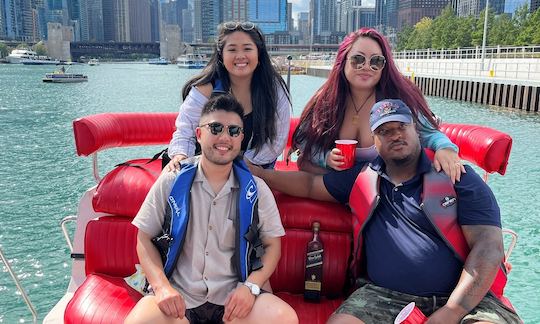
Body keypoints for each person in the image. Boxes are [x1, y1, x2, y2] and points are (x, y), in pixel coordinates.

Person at [249, 99, 521, 324]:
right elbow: (309, 184)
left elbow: (489, 246)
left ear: (416, 129)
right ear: (374, 141)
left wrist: (453, 310)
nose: (395, 135)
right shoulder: (364, 177)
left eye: (401, 126)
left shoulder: (455, 175)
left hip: (466, 299)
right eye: (384, 131)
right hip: (384, 296)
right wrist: (258, 173)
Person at [125, 95, 298, 324]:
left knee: (284, 318)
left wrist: (251, 287)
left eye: (234, 131)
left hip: (233, 297)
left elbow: (272, 245)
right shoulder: (171, 181)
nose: (225, 137)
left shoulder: (256, 190)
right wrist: (162, 287)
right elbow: (144, 238)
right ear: (199, 134)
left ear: (241, 138)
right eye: (215, 128)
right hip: (180, 296)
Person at [291, 28, 464, 183]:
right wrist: (326, 158)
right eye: (358, 60)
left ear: (384, 66)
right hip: (336, 186)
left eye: (376, 61)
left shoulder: (397, 100)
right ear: (342, 61)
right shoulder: (326, 100)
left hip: (383, 189)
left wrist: (446, 148)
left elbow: (430, 133)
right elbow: (303, 139)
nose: (366, 67)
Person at [166, 21, 291, 171]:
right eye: (232, 50)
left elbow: (276, 141)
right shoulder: (205, 89)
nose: (240, 56)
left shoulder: (274, 91)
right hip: (208, 166)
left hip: (255, 167)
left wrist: (242, 165)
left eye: (247, 49)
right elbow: (185, 131)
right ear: (221, 56)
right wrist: (181, 156)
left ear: (259, 54)